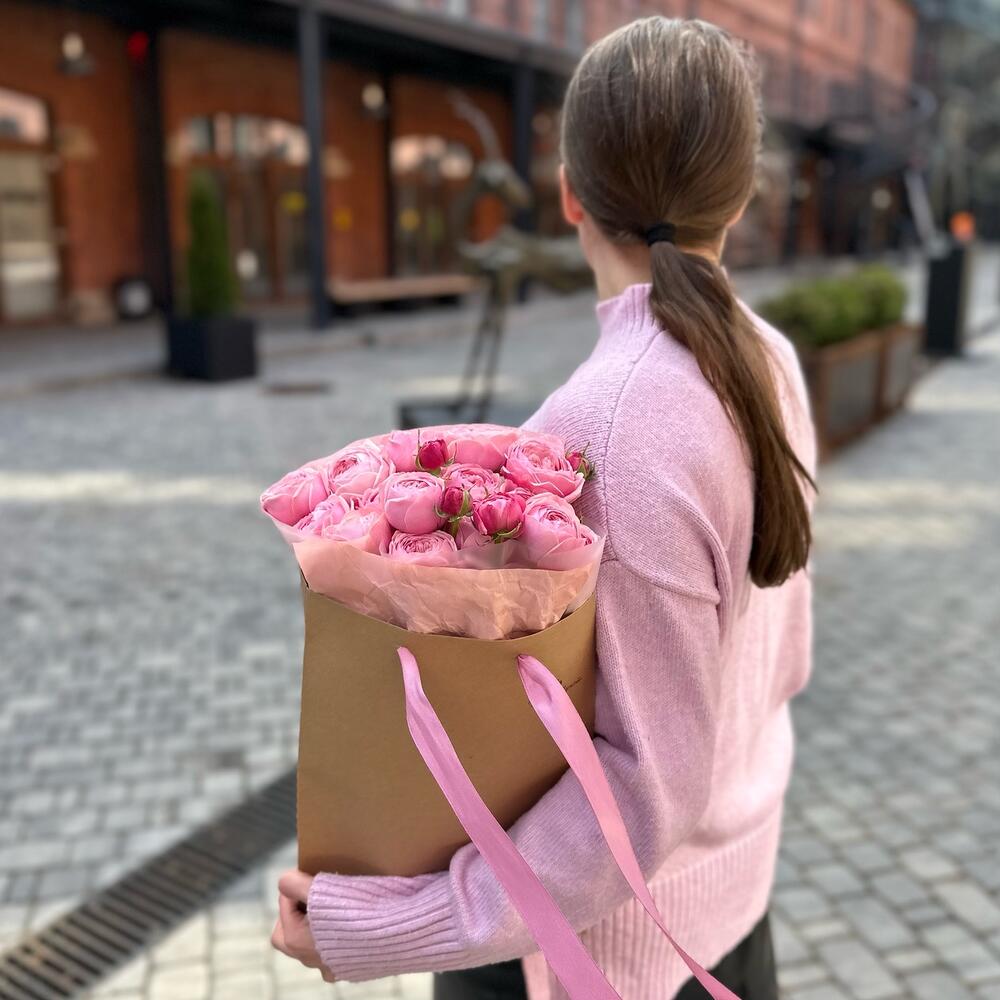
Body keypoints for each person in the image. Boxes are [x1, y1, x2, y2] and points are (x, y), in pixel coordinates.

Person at [272, 16, 816, 999]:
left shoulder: (604, 429)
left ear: (569, 194)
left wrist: (385, 922)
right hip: (728, 900)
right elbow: (775, 658)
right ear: (740, 196)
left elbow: (643, 789)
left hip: (606, 951)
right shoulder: (768, 359)